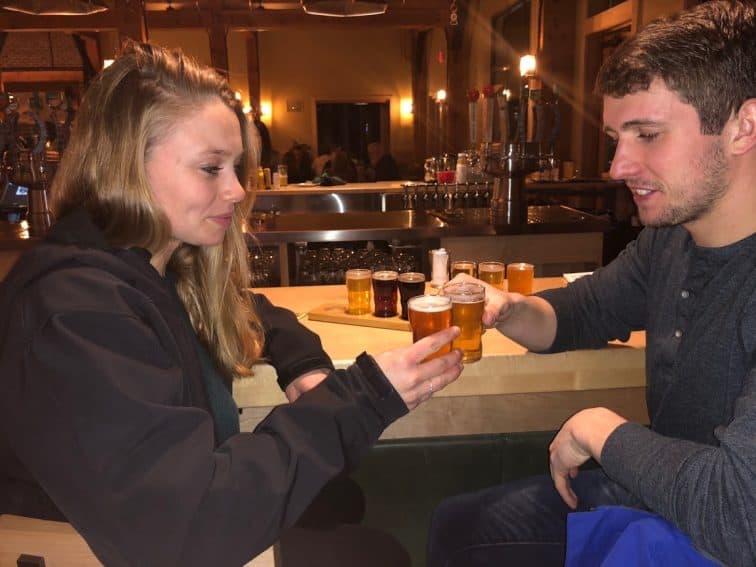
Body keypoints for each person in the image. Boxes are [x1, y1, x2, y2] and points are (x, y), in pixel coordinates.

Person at [0, 41, 464, 566]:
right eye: (210, 168)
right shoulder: (76, 314)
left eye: (237, 167)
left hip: (182, 522)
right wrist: (362, 396)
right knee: (377, 554)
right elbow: (191, 526)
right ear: (127, 164)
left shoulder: (152, 265)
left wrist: (303, 365)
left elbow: (249, 308)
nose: (239, 190)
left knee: (344, 502)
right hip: (103, 549)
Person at [427, 2, 755, 566]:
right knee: (457, 527)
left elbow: (738, 516)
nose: (617, 165)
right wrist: (506, 308)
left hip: (714, 537)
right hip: (660, 505)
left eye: (647, 135)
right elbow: (582, 311)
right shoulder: (672, 239)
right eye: (616, 138)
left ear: (743, 126)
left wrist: (600, 428)